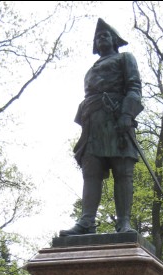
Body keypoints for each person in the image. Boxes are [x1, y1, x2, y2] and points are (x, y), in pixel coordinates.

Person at [60, 18, 143, 236]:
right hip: (93, 123)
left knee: (123, 171)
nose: (101, 38)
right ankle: (87, 221)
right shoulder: (91, 68)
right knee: (91, 170)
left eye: (106, 35)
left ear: (115, 40)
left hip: (117, 119)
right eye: (98, 37)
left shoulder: (125, 58)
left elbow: (134, 87)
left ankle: (124, 222)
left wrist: (127, 114)